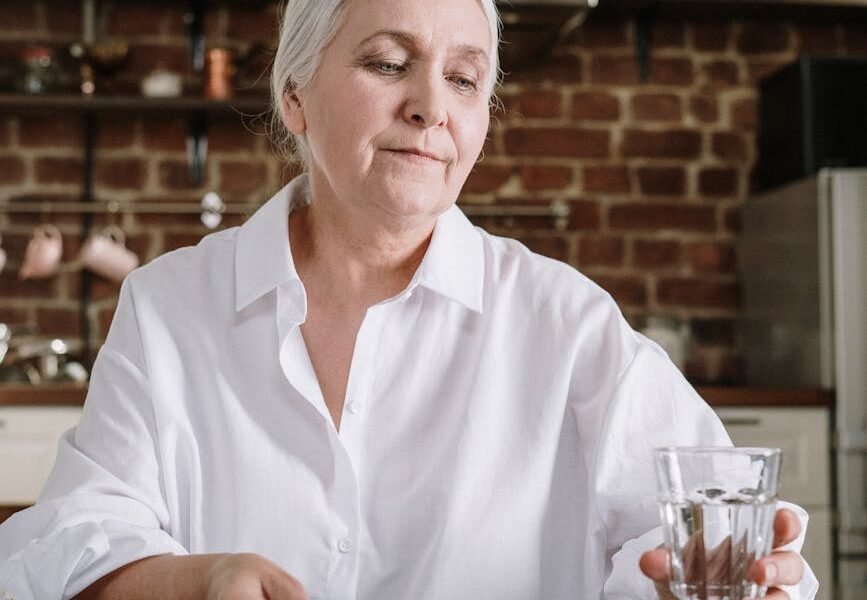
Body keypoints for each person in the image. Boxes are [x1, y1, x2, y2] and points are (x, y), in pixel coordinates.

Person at [0, 0, 818, 598]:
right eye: (388, 63)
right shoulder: (169, 306)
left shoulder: (564, 324)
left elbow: (711, 541)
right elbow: (65, 540)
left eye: (463, 78)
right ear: (295, 97)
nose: (431, 105)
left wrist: (724, 575)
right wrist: (196, 579)